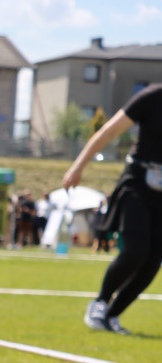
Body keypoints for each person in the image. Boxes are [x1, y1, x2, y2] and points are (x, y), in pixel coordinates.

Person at [64, 83, 162, 335]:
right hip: (138, 183)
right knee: (135, 250)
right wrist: (78, 166)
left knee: (152, 262)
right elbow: (108, 131)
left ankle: (112, 315)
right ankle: (100, 302)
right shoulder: (151, 97)